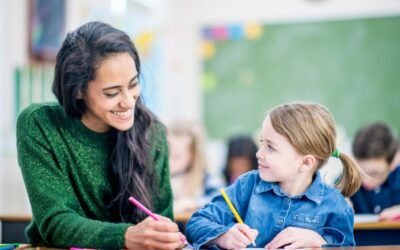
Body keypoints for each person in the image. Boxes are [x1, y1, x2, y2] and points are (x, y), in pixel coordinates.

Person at [16, 21, 185, 249]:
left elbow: (161, 218)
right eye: (112, 92)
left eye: (133, 84)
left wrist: (164, 235)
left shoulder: (152, 133)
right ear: (77, 90)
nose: (128, 101)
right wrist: (125, 236)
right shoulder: (40, 124)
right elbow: (54, 220)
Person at [186, 102, 362, 249]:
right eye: (262, 143)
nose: (258, 154)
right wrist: (223, 236)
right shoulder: (246, 186)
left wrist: (320, 242)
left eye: (270, 147)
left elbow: (347, 247)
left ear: (306, 162)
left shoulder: (334, 205)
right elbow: (196, 223)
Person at [167, 121, 223, 215]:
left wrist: (189, 203)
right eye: (167, 153)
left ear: (194, 155)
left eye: (177, 156)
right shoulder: (159, 178)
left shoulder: (209, 178)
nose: (169, 161)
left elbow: (221, 200)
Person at [350, 122, 400, 220]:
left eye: (374, 174)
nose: (365, 180)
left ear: (393, 163)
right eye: (360, 172)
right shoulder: (346, 180)